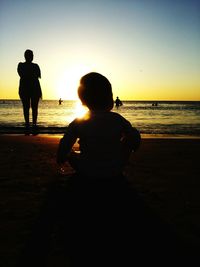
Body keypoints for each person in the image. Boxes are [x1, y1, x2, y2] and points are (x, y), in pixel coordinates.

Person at [57, 72, 140, 178]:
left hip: (86, 169)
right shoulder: (118, 119)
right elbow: (134, 138)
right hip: (114, 169)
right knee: (131, 136)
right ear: (109, 98)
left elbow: (66, 142)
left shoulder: (79, 121)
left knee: (71, 154)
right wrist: (131, 144)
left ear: (83, 102)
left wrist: (62, 156)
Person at [17, 49, 42, 134]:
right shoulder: (21, 65)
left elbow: (37, 77)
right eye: (31, 55)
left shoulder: (35, 66)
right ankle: (29, 124)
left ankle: (33, 124)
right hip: (26, 89)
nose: (32, 57)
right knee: (27, 107)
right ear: (26, 56)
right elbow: (24, 75)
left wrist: (40, 91)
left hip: (33, 89)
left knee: (33, 108)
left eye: (32, 55)